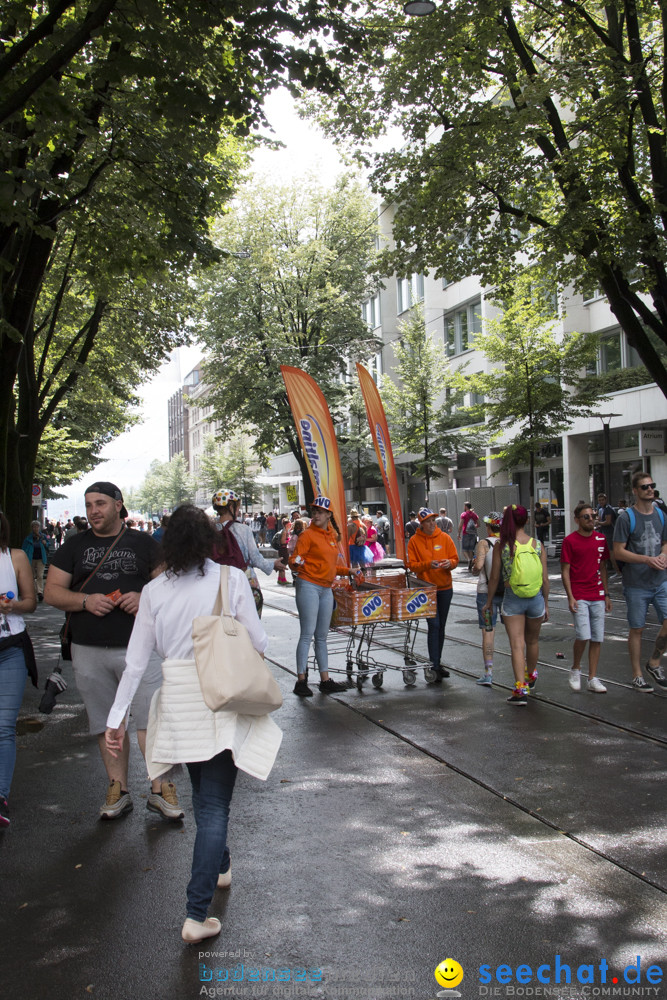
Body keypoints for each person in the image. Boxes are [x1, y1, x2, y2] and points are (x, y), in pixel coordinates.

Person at [104, 504, 281, 944]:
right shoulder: (230, 579)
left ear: (169, 543)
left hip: (179, 703)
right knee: (215, 806)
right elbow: (259, 642)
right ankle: (195, 914)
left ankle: (219, 866)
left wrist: (116, 720)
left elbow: (136, 662)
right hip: (220, 696)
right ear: (207, 540)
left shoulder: (154, 592)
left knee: (205, 796)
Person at [44, 481, 184, 821]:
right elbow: (51, 592)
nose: (94, 510)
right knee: (107, 723)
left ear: (119, 506)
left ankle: (160, 787)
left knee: (150, 719)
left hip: (141, 649)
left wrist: (144, 598)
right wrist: (84, 600)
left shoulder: (145, 544)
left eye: (101, 504)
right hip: (88, 649)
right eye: (90, 504)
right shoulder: (74, 546)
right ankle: (117, 789)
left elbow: (170, 587)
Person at [485, 505, 549, 705]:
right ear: (527, 521)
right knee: (532, 641)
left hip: (513, 597)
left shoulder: (502, 545)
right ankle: (531, 675)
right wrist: (545, 604)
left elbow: (494, 577)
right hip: (536, 598)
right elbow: (545, 579)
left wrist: (488, 602)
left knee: (516, 645)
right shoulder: (537, 545)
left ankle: (520, 689)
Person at [289, 496, 350, 697]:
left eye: (320, 512)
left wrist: (350, 571)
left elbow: (330, 566)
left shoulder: (331, 537)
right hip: (308, 585)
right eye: (314, 512)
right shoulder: (307, 535)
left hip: (326, 588)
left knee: (322, 636)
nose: (316, 515)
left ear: (328, 515)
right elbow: (295, 559)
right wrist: (297, 563)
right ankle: (301, 681)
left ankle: (325, 680)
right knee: (307, 633)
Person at [613, 471, 667, 693]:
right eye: (645, 487)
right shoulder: (626, 518)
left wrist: (664, 555)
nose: (650, 489)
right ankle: (637, 675)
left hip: (661, 581)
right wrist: (647, 559)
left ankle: (654, 662)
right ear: (635, 491)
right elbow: (618, 552)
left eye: (651, 486)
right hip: (636, 584)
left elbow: (665, 542)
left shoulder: (662, 515)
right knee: (637, 628)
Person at [0, 513, 37, 827]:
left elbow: (31, 602)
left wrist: (11, 606)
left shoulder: (15, 556)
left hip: (10, 648)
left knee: (3, 727)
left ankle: (0, 797)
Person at [560, 504, 611, 693]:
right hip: (579, 594)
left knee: (597, 637)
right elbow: (565, 571)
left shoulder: (601, 539)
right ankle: (575, 668)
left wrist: (606, 594)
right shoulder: (570, 541)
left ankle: (593, 678)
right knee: (583, 635)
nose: (591, 519)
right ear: (577, 520)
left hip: (597, 594)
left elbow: (603, 567)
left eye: (593, 515)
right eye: (586, 516)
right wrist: (570, 596)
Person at [211, 489, 286, 611]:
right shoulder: (243, 529)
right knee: (249, 623)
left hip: (217, 582)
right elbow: (255, 558)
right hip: (243, 579)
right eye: (237, 507)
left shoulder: (209, 529)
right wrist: (272, 565)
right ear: (231, 506)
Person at [407, 508, 459, 683]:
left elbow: (455, 560)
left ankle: (436, 663)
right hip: (427, 589)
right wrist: (429, 564)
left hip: (445, 588)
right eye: (428, 521)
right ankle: (434, 665)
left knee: (441, 626)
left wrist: (448, 563)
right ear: (421, 524)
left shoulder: (444, 538)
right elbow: (412, 566)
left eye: (433, 520)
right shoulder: (414, 541)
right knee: (434, 625)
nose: (432, 523)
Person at [471, 511, 503, 686]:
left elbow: (479, 566)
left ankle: (488, 673)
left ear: (488, 526)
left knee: (488, 632)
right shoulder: (508, 542)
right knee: (517, 634)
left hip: (485, 593)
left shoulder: (484, 543)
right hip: (506, 594)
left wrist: (474, 568)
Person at [21, 520, 49, 602]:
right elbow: (24, 548)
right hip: (31, 558)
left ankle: (40, 592)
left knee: (40, 575)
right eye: (34, 526)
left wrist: (45, 543)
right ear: (32, 528)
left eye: (37, 526)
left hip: (41, 558)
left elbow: (48, 545)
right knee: (32, 576)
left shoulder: (43, 536)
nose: (35, 528)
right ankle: (33, 592)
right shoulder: (28, 538)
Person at [595, 492, 619, 575]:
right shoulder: (602, 509)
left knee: (612, 553)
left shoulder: (608, 509)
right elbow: (601, 519)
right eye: (599, 500)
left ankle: (618, 572)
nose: (601, 502)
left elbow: (608, 522)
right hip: (605, 532)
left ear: (606, 500)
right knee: (605, 552)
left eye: (602, 500)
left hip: (610, 533)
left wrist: (598, 523)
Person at [458, 502, 479, 571]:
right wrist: (473, 526)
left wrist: (458, 534)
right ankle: (471, 565)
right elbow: (478, 524)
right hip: (473, 534)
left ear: (466, 507)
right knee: (471, 550)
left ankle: (469, 559)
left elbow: (461, 525)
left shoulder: (464, 514)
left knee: (464, 550)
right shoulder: (474, 514)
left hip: (465, 533)